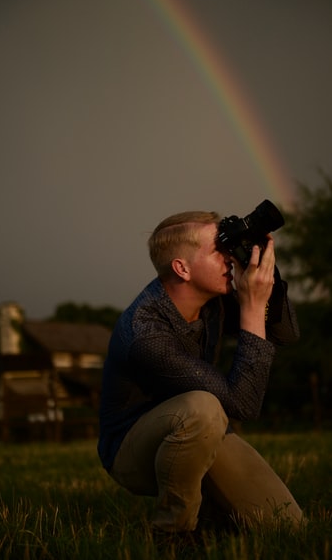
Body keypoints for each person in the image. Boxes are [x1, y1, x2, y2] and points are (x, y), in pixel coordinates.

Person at [97, 210, 303, 534]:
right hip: (132, 450)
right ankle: (173, 533)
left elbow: (286, 333)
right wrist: (251, 309)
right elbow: (244, 405)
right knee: (203, 407)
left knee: (287, 526)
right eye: (219, 248)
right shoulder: (145, 333)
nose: (227, 257)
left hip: (200, 432)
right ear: (182, 268)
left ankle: (212, 516)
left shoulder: (213, 303)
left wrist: (267, 277)